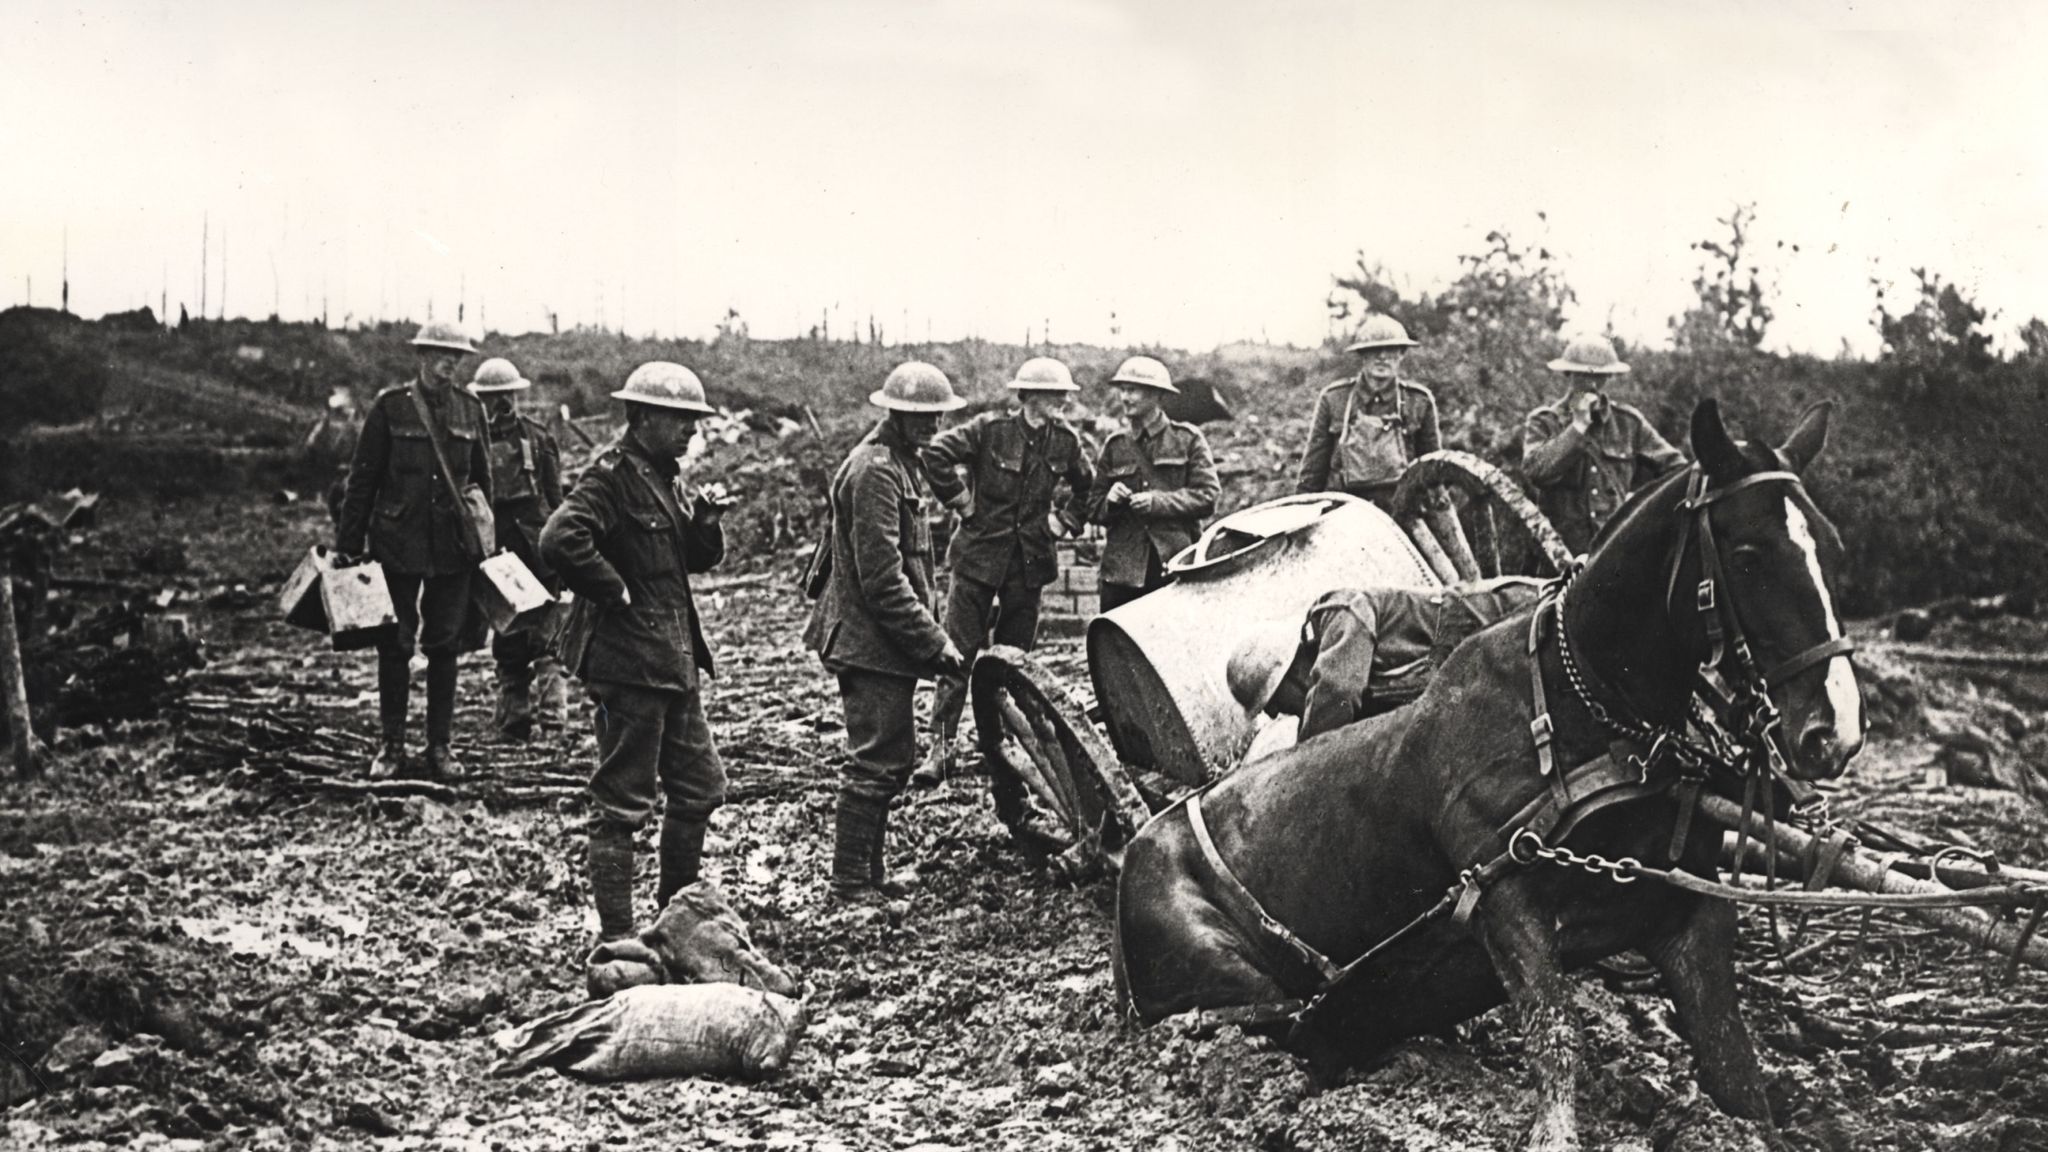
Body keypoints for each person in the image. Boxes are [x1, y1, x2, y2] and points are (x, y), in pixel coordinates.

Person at [540, 362, 736, 943]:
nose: (691, 432)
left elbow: (690, 560)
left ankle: (674, 922)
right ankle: (619, 939)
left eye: (694, 422)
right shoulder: (611, 479)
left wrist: (704, 522)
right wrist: (612, 586)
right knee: (623, 801)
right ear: (643, 417)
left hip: (671, 659)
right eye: (680, 421)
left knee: (700, 787)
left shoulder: (665, 477)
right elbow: (559, 538)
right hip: (629, 663)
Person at [803, 362, 968, 905]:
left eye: (936, 415)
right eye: (917, 415)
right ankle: (850, 883)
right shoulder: (875, 470)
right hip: (869, 641)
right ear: (892, 412)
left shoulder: (900, 462)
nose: (931, 425)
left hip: (880, 642)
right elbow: (882, 580)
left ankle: (869, 876)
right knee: (877, 760)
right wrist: (935, 641)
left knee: (891, 756)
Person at [913, 357, 1094, 786]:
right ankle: (941, 747)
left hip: (1027, 566)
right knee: (956, 654)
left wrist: (1064, 521)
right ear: (1029, 397)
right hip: (978, 559)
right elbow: (935, 453)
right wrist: (961, 500)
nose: (1063, 402)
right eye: (1054, 395)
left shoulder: (1066, 443)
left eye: (1064, 396)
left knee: (1015, 661)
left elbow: (1089, 486)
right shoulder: (989, 430)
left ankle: (1003, 742)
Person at [334, 321, 492, 779]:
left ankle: (439, 748)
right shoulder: (390, 408)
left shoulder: (469, 410)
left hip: (452, 549)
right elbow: (362, 480)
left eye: (456, 356)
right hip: (398, 544)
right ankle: (391, 745)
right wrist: (349, 546)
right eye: (441, 354)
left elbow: (482, 484)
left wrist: (488, 543)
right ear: (421, 356)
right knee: (395, 644)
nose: (450, 363)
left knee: (444, 646)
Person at [1228, 576, 1546, 742]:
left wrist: (1296, 768)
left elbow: (1338, 692)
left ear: (1289, 674)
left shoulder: (1339, 611)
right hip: (1499, 671)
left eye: (1280, 705)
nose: (1288, 713)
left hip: (1518, 615)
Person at [468, 356, 569, 741]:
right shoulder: (470, 444)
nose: (501, 404)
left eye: (506, 395)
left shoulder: (539, 438)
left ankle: (554, 721)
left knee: (548, 639)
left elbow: (556, 502)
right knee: (508, 638)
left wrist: (560, 551)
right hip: (496, 555)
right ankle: (514, 720)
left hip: (538, 552)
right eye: (493, 397)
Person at [1521, 334, 1686, 554]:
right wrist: (1577, 428)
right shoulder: (1545, 422)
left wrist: (1641, 507)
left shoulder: (1628, 423)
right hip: (1558, 557)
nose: (1592, 385)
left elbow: (1678, 469)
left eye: (1600, 377)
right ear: (1568, 374)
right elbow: (1536, 472)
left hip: (1613, 556)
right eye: (1583, 377)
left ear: (1609, 376)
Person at [1088, 356, 1219, 611]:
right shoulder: (1115, 446)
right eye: (1122, 390)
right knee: (1115, 647)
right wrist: (1110, 502)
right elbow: (1093, 507)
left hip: (1173, 565)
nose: (1125, 398)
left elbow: (1207, 496)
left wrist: (1157, 502)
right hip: (1122, 573)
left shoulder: (1188, 439)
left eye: (1133, 390)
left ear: (1157, 395)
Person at [1295, 314, 1441, 508]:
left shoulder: (1418, 401)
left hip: (1400, 511)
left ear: (1401, 354)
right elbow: (1313, 468)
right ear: (1362, 355)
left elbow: (1432, 469)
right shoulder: (1334, 399)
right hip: (1345, 509)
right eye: (1374, 350)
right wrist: (1301, 511)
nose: (1382, 357)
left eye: (1390, 350)